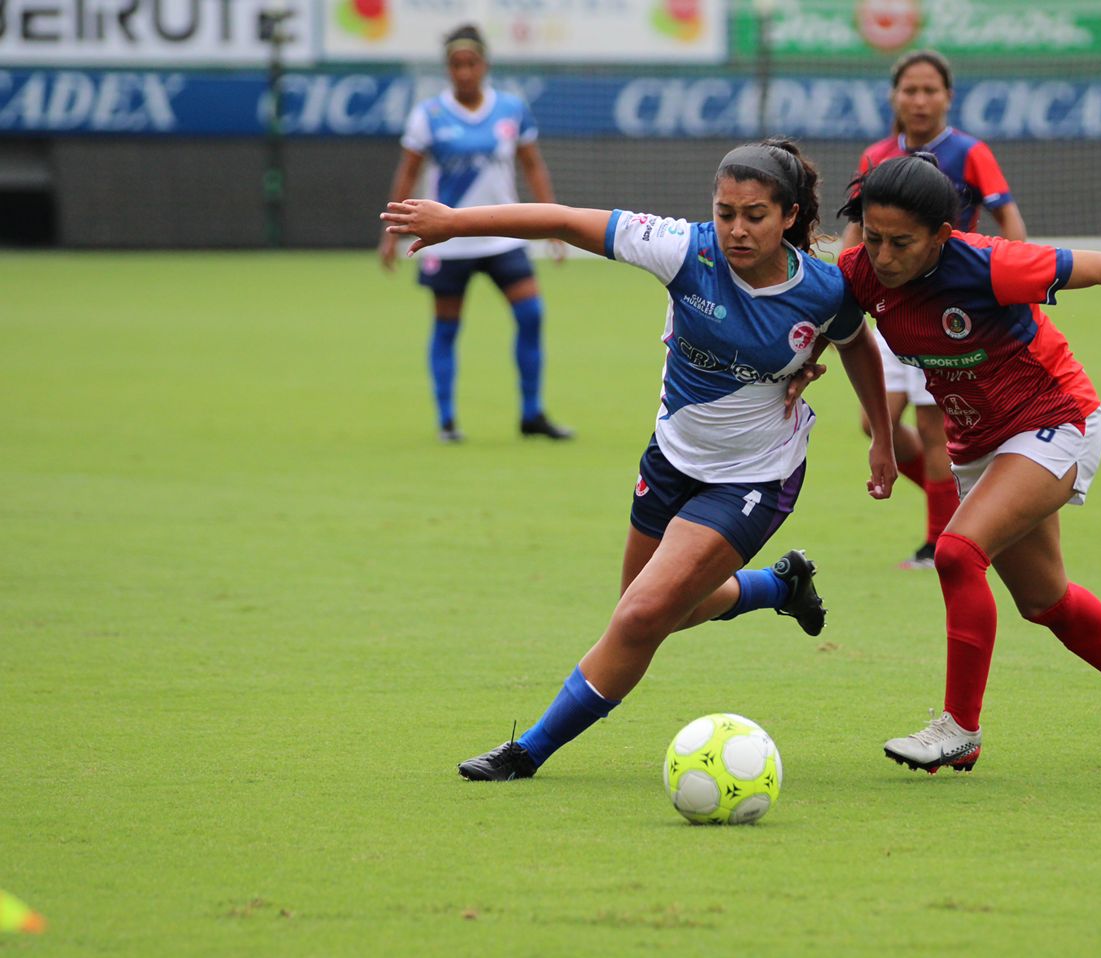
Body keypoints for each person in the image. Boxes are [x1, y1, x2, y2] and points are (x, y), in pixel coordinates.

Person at [381, 139, 898, 781]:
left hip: (754, 476)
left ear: (790, 215)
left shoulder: (825, 289)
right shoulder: (684, 247)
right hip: (671, 459)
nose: (736, 229)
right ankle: (778, 585)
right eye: (725, 211)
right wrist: (455, 222)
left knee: (641, 616)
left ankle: (527, 752)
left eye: (755, 215)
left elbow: (857, 345)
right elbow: (567, 219)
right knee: (648, 606)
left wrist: (882, 433)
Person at [834, 156, 1101, 772]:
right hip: (978, 443)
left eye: (901, 242)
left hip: (1055, 420)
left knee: (956, 552)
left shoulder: (987, 264)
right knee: (1044, 601)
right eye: (872, 238)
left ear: (942, 237)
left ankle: (959, 729)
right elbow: (842, 336)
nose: (884, 256)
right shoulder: (859, 273)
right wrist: (875, 432)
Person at [842, 50, 1028, 570]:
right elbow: (857, 231)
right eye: (910, 90)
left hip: (946, 312)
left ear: (948, 96)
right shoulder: (876, 155)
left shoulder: (970, 152)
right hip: (888, 309)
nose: (920, 100)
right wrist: (842, 280)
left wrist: (1009, 278)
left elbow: (1008, 217)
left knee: (932, 430)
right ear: (894, 96)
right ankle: (966, 509)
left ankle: (937, 541)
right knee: (872, 423)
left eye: (930, 90)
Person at [378, 23, 573, 443]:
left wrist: (555, 223)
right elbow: (409, 172)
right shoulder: (428, 114)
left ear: (484, 64)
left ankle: (531, 414)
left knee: (531, 315)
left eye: (471, 63)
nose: (464, 72)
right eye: (456, 64)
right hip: (446, 242)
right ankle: (447, 421)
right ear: (448, 68)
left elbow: (532, 165)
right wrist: (391, 233)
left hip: (502, 236)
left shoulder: (511, 109)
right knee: (447, 327)